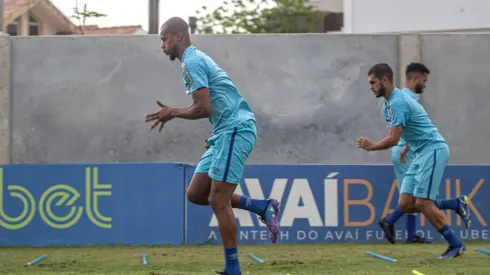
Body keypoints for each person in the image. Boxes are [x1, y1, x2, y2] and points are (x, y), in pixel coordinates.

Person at [144, 17, 280, 275]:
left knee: (218, 199)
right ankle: (262, 206)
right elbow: (215, 103)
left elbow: (203, 108)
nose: (162, 45)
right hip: (224, 132)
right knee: (196, 194)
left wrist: (172, 112)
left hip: (236, 130)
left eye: (164, 39)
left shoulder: (192, 62)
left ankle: (233, 269)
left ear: (178, 37)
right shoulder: (193, 60)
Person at [356, 63, 471, 259]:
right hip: (419, 151)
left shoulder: (397, 102)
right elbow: (417, 125)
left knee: (424, 202)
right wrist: (408, 146)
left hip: (432, 149)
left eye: (373, 82)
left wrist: (371, 146)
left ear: (385, 80)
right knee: (406, 203)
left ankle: (456, 244)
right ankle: (455, 203)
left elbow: (393, 139)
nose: (370, 87)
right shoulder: (390, 102)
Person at [388, 63, 432, 244]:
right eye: (424, 80)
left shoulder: (400, 96)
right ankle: (388, 221)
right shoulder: (409, 98)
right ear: (416, 78)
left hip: (401, 148)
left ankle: (411, 234)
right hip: (406, 149)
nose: (425, 84)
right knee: (413, 195)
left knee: (410, 192)